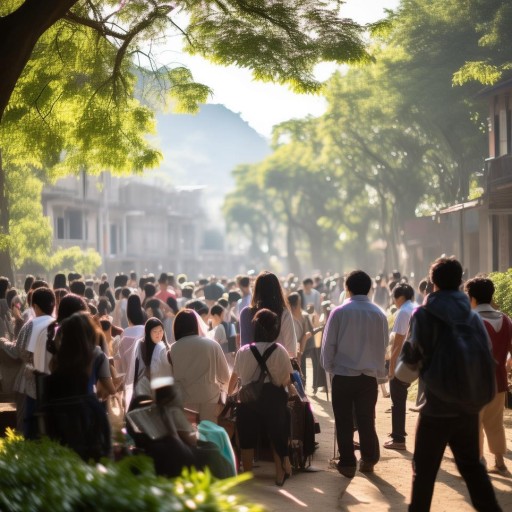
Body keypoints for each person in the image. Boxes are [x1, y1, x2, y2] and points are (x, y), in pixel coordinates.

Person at [399, 257, 502, 512]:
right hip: (468, 407)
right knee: (473, 469)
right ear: (460, 281)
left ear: (432, 283)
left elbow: (407, 368)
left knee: (423, 472)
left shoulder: (423, 315)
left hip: (435, 408)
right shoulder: (472, 316)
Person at [320, 270, 388, 478]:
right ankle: (368, 459)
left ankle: (347, 462)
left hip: (342, 375)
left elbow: (328, 344)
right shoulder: (379, 314)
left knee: (343, 420)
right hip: (368, 377)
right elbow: (382, 345)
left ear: (346, 288)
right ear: (369, 288)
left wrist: (329, 367)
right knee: (367, 419)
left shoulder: (339, 312)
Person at [228, 308, 294, 485]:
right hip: (273, 398)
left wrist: (228, 395)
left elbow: (235, 378)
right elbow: (285, 379)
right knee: (277, 434)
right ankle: (280, 474)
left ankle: (248, 474)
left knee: (247, 438)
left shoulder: (243, 351)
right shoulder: (280, 350)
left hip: (248, 399)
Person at [465, 276, 512, 476]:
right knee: (495, 422)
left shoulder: (469, 320)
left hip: (475, 383)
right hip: (500, 381)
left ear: (471, 297)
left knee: (473, 423)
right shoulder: (506, 320)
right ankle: (499, 461)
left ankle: (478, 460)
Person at [168, 309, 230, 423]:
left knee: (188, 438)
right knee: (208, 436)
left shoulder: (172, 349)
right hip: (209, 398)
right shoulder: (212, 345)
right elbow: (225, 377)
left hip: (183, 402)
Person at [384, 283, 416, 451]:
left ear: (400, 297)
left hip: (404, 361)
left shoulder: (403, 312)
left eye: (394, 298)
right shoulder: (416, 307)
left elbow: (398, 342)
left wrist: (392, 367)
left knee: (397, 399)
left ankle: (398, 438)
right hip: (417, 360)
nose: (394, 301)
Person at [239, 271, 297, 357]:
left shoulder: (246, 313)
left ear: (256, 289)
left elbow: (244, 348)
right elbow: (291, 349)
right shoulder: (284, 313)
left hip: (252, 367)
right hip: (278, 366)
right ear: (277, 289)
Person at [125, 317, 173, 407]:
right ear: (148, 333)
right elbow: (137, 369)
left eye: (161, 331)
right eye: (155, 331)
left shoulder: (166, 348)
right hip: (145, 389)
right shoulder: (141, 346)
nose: (159, 334)